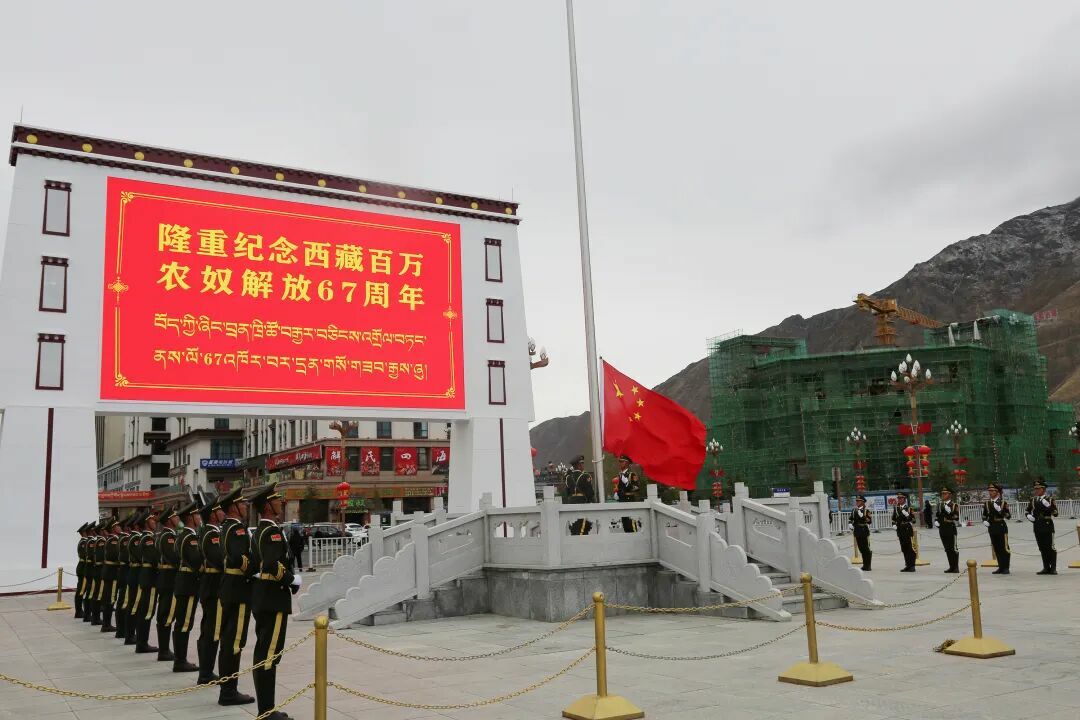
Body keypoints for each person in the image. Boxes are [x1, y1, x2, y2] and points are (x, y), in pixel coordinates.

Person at [249, 482, 301, 719]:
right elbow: (271, 563)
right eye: (276, 500)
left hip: (263, 595)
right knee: (269, 654)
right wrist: (291, 580)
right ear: (268, 506)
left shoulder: (259, 530)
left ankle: (266, 708)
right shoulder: (271, 532)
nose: (281, 502)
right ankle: (266, 711)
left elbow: (256, 565)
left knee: (264, 652)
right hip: (273, 597)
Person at [217, 486, 256, 706]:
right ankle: (229, 692)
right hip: (239, 588)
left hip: (230, 586)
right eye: (242, 503)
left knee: (228, 640)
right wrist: (254, 569)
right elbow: (237, 558)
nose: (245, 506)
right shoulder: (236, 528)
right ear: (233, 507)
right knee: (234, 642)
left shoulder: (226, 527)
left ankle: (227, 689)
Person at [196, 492, 226, 686]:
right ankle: (206, 673)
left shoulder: (208, 532)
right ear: (213, 515)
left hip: (210, 584)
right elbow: (219, 559)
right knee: (212, 631)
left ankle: (205, 671)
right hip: (214, 586)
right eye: (219, 511)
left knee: (209, 629)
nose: (222, 513)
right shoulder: (212, 534)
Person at [170, 498, 203, 672]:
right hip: (189, 583)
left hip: (183, 581)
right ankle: (180, 660)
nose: (199, 517)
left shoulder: (182, 535)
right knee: (184, 623)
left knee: (182, 622)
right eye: (197, 515)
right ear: (191, 518)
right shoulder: (190, 537)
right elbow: (196, 561)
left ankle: (179, 659)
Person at [154, 506, 182, 662]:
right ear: (169, 520)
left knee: (165, 614)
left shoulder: (164, 535)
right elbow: (174, 558)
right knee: (167, 614)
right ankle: (164, 650)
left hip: (165, 578)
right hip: (169, 578)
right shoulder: (168, 537)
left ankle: (164, 649)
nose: (178, 519)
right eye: (175, 517)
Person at [132, 509, 161, 653]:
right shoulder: (148, 538)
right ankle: (142, 643)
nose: (154, 522)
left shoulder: (145, 537)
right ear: (146, 523)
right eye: (151, 520)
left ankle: (141, 642)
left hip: (147, 576)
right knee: (147, 612)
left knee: (144, 611)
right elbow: (154, 558)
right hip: (150, 578)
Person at [1026, 478, 1058, 575]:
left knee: (1050, 547)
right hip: (1037, 526)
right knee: (1042, 547)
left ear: (1043, 489)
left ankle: (1053, 568)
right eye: (1035, 489)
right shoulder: (1033, 500)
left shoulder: (1050, 499)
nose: (1036, 490)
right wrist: (1028, 516)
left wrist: (1048, 505)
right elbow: (1027, 510)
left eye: (1038, 489)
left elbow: (1055, 513)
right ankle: (1046, 567)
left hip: (1047, 525)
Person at [99, 516, 121, 633]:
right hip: (112, 572)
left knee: (108, 598)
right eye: (117, 526)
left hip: (109, 571)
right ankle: (106, 625)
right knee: (110, 599)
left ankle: (106, 623)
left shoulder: (111, 539)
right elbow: (115, 555)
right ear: (113, 528)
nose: (119, 527)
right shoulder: (113, 540)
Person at [983, 483, 1012, 575]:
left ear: (997, 492)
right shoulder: (987, 503)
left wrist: (1000, 510)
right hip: (992, 528)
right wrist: (984, 521)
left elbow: (1008, 516)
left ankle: (1006, 567)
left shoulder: (1003, 503)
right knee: (996, 548)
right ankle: (1001, 567)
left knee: (1004, 548)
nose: (990, 492)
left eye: (992, 491)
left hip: (1001, 527)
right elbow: (984, 515)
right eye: (989, 491)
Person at [113, 514, 134, 640]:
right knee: (124, 602)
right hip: (126, 572)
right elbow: (126, 556)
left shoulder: (122, 538)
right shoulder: (125, 539)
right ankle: (122, 631)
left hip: (123, 572)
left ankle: (121, 630)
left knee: (123, 601)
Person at [563, 455, 595, 536]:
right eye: (582, 463)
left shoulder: (568, 477)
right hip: (582, 504)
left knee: (574, 528)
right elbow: (590, 493)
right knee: (582, 529)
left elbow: (567, 493)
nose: (583, 465)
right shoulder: (585, 476)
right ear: (579, 465)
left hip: (571, 504)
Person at [612, 455, 642, 533]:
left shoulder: (631, 475)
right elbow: (619, 488)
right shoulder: (619, 475)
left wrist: (627, 483)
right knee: (625, 525)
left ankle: (634, 538)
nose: (620, 463)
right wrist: (617, 493)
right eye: (620, 462)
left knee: (631, 524)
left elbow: (637, 488)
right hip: (622, 501)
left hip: (630, 501)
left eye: (622, 462)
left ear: (627, 463)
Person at [934, 487, 961, 573]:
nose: (943, 495)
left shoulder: (954, 505)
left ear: (950, 495)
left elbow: (956, 518)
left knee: (953, 548)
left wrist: (950, 512)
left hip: (950, 528)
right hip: (942, 529)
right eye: (942, 493)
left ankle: (956, 567)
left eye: (945, 493)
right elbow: (937, 515)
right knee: (947, 549)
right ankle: (951, 567)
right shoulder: (940, 505)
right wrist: (936, 521)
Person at [891, 492, 917, 572]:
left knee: (910, 548)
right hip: (900, 530)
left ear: (905, 499)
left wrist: (907, 515)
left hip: (907, 529)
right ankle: (907, 565)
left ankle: (912, 566)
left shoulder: (909, 509)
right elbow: (893, 519)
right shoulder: (896, 508)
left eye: (901, 498)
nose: (899, 499)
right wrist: (894, 525)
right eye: (898, 498)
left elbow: (914, 520)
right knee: (904, 548)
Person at [848, 495, 872, 571]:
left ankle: (868, 565)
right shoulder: (854, 510)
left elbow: (869, 521)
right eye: (857, 501)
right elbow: (850, 518)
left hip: (864, 530)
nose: (857, 502)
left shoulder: (866, 510)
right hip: (857, 530)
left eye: (859, 501)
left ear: (863, 502)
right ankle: (865, 565)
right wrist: (850, 524)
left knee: (866, 548)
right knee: (861, 548)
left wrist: (863, 516)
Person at [74, 523, 89, 619]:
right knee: (81, 590)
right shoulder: (84, 543)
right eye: (87, 532)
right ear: (83, 533)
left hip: (83, 567)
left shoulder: (84, 542)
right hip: (83, 568)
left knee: (82, 590)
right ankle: (78, 611)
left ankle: (80, 610)